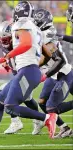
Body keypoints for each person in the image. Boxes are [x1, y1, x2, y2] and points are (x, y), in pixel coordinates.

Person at [0, 1, 57, 146]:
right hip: (29, 70)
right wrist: (36, 65)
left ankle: (47, 118)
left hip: (27, 70)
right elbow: (47, 54)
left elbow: (26, 43)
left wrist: (8, 56)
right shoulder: (35, 28)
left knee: (10, 107)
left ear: (18, 13)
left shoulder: (21, 24)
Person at [0, 21, 42, 135]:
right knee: (28, 99)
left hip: (28, 74)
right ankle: (39, 120)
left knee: (4, 92)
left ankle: (18, 121)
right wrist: (7, 64)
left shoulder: (21, 46)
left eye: (6, 39)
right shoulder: (10, 48)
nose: (4, 42)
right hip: (20, 75)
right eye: (2, 40)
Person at [34, 8, 73, 138]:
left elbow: (59, 61)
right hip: (55, 74)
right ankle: (65, 128)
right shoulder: (45, 33)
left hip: (62, 73)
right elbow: (45, 57)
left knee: (52, 108)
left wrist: (45, 74)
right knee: (42, 102)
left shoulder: (46, 35)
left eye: (36, 21)